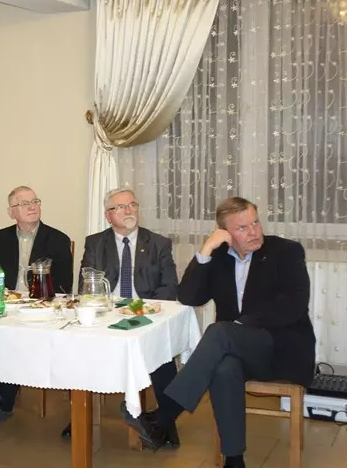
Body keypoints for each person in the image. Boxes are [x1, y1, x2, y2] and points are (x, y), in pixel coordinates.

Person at [131, 197, 315, 468]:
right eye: (242, 228)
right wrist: (205, 251)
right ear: (225, 233)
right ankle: (234, 459)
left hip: (282, 349)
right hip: (236, 350)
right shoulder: (219, 258)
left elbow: (293, 305)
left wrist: (238, 326)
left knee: (220, 333)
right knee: (224, 368)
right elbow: (189, 297)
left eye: (255, 223)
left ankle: (165, 414)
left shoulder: (286, 251)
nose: (253, 232)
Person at [63, 187, 179, 441]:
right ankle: (79, 418)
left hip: (145, 314)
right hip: (106, 314)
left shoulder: (158, 243)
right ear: (108, 216)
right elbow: (86, 286)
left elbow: (169, 287)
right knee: (77, 350)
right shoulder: (95, 243)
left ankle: (165, 425)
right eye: (121, 207)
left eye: (132, 205)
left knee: (163, 356)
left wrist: (143, 310)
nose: (128, 210)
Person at [0, 186, 73, 431]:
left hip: (39, 308)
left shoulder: (58, 239)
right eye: (24, 203)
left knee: (10, 340)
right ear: (11, 212)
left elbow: (64, 285)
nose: (32, 206)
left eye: (35, 201)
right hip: (5, 303)